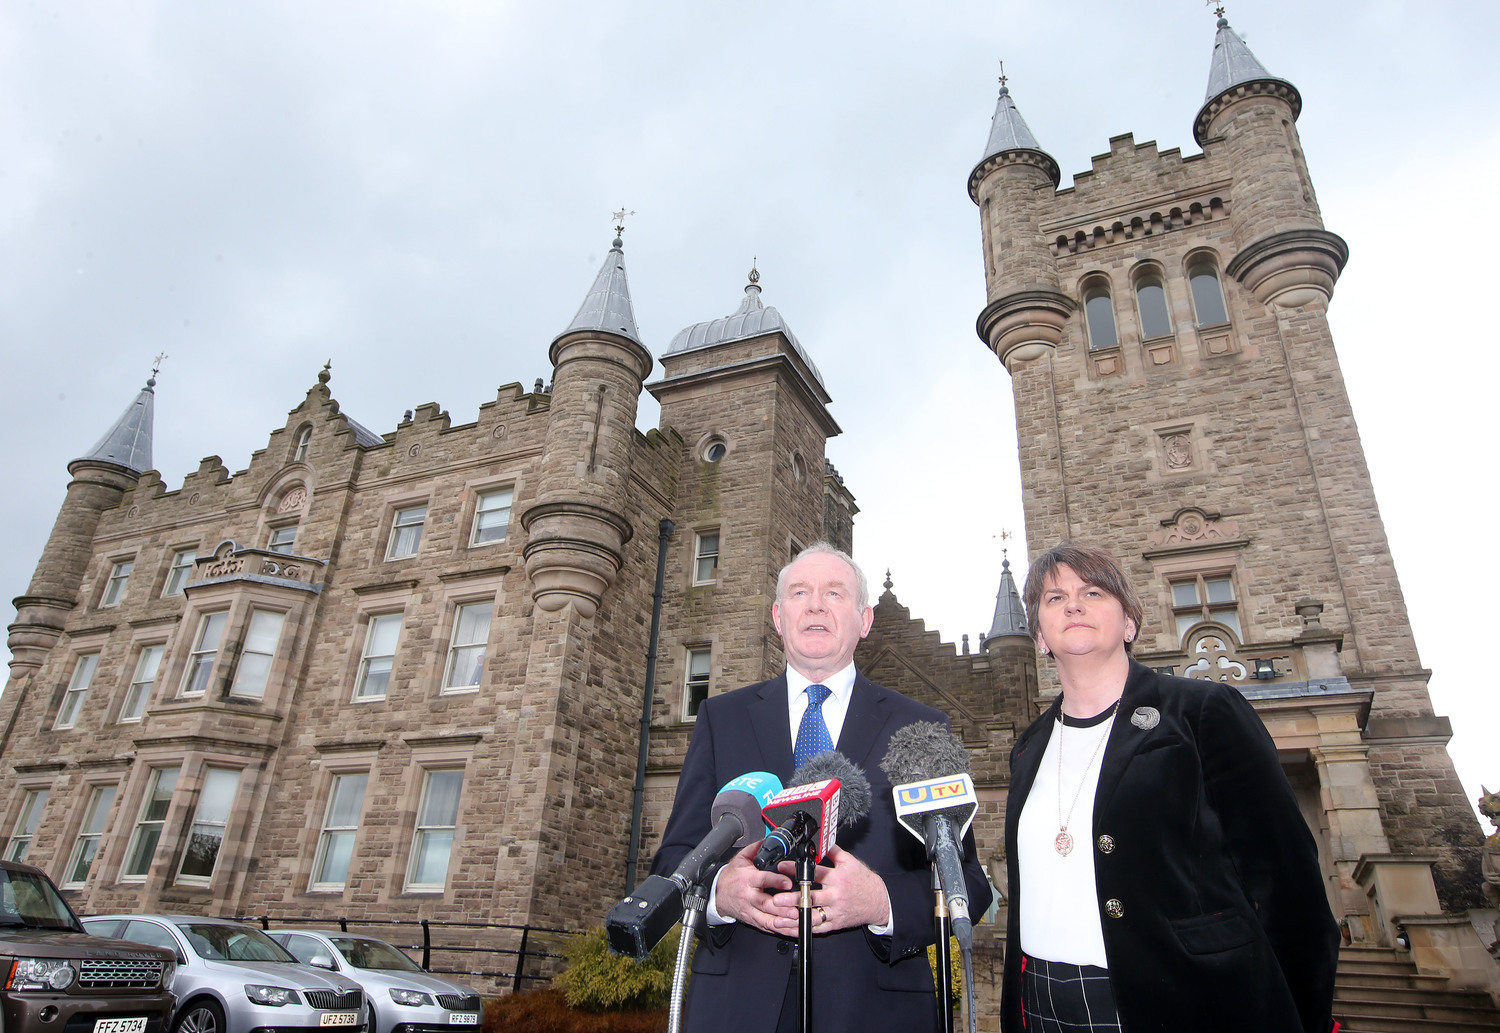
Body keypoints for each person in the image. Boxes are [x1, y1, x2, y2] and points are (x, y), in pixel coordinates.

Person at [652, 542, 992, 1033]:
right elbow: (674, 860)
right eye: (799, 593)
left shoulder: (921, 728)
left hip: (875, 1011)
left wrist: (882, 903)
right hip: (737, 1007)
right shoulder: (720, 719)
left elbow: (968, 883)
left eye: (834, 593)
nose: (815, 605)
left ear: (864, 620)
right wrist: (721, 894)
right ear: (778, 616)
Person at [1002, 542, 1339, 1033]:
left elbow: (1289, 887)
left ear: (1129, 623)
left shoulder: (1202, 712)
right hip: (1043, 1001)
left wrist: (1303, 1018)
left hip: (1187, 999)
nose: (1072, 605)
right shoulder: (1029, 747)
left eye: (1092, 592)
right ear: (1039, 636)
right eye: (1054, 598)